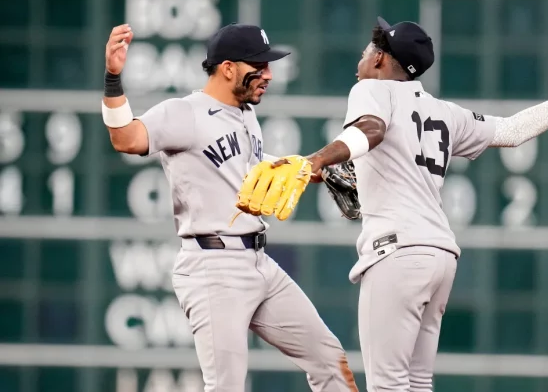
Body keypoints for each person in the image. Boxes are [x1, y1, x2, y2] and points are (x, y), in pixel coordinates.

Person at [303, 16, 548, 392]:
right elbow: (513, 131)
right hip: (440, 257)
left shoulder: (371, 90)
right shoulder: (446, 113)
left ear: (380, 59)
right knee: (418, 383)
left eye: (368, 51)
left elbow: (372, 130)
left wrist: (317, 159)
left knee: (388, 384)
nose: (361, 59)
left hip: (397, 253)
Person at [101, 23, 358, 392]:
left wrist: (304, 168)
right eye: (259, 65)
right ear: (227, 68)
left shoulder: (244, 113)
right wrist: (113, 77)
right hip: (212, 266)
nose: (268, 74)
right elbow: (126, 139)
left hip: (258, 262)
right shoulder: (184, 112)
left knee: (329, 360)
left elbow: (243, 165)